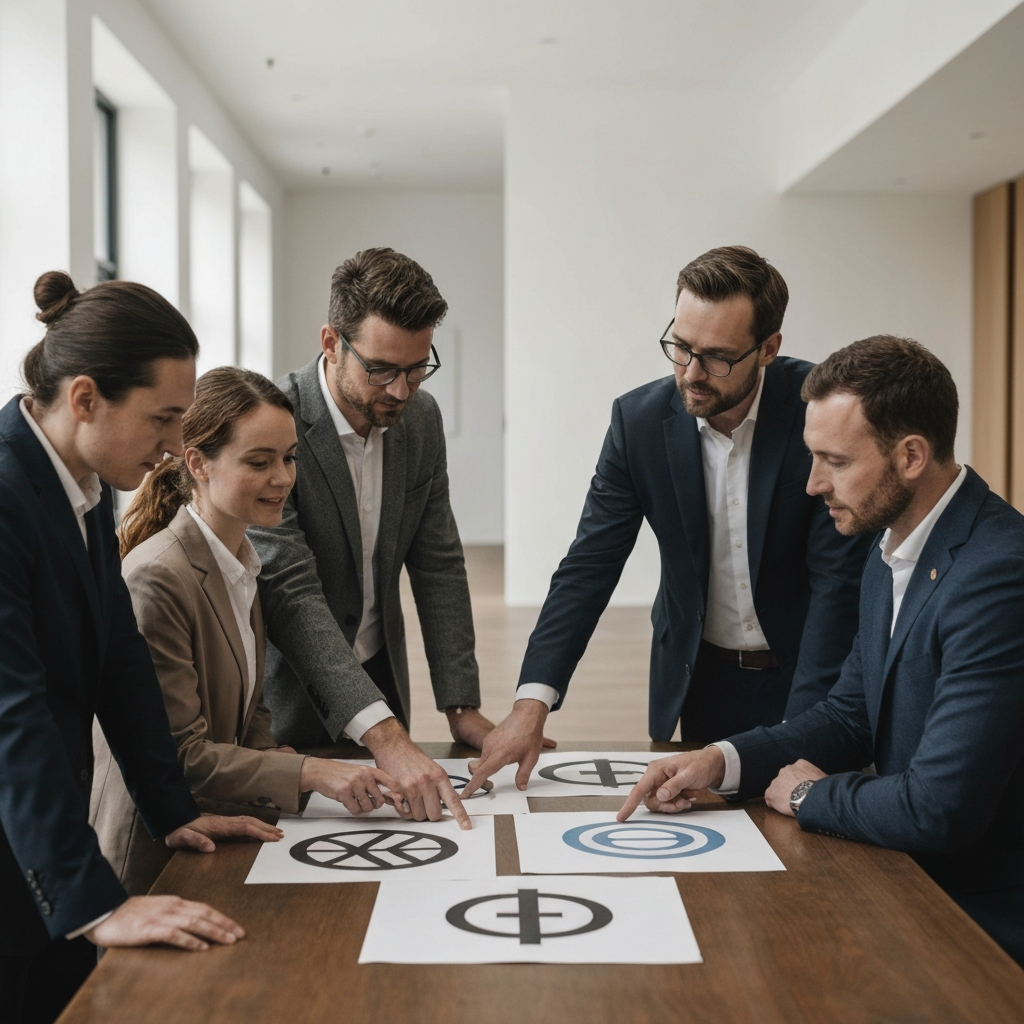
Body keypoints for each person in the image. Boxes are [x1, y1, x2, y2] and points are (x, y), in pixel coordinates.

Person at [617, 336, 1024, 966]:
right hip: (903, 874)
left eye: (834, 461)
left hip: (975, 917)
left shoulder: (998, 575)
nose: (813, 485)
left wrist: (812, 796)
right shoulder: (888, 543)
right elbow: (851, 715)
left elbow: (942, 809)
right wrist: (722, 762)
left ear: (911, 455)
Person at [465, 246, 870, 795]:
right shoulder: (638, 422)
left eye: (718, 357)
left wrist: (796, 740)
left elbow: (837, 587)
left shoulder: (817, 415)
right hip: (701, 677)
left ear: (769, 348)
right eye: (680, 347)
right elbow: (590, 565)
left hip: (813, 674)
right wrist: (531, 703)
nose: (691, 374)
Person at [0, 273, 282, 1024]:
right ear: (86, 398)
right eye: (163, 419)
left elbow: (119, 658)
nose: (175, 445)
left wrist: (172, 807)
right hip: (21, 830)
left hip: (47, 831)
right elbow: (12, 712)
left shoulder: (84, 481)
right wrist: (91, 900)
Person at [90, 367, 408, 896]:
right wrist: (310, 772)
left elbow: (250, 707)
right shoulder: (157, 577)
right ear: (198, 463)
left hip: (221, 828)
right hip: (152, 857)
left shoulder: (244, 557)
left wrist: (272, 754)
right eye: (259, 462)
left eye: (289, 458)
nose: (283, 478)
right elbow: (179, 757)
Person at [249, 247, 505, 827]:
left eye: (418, 369)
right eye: (383, 370)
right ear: (331, 343)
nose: (402, 390)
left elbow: (438, 561)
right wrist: (388, 739)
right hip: (285, 697)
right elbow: (290, 592)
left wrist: (460, 703)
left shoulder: (420, 420)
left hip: (381, 676)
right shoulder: (271, 420)